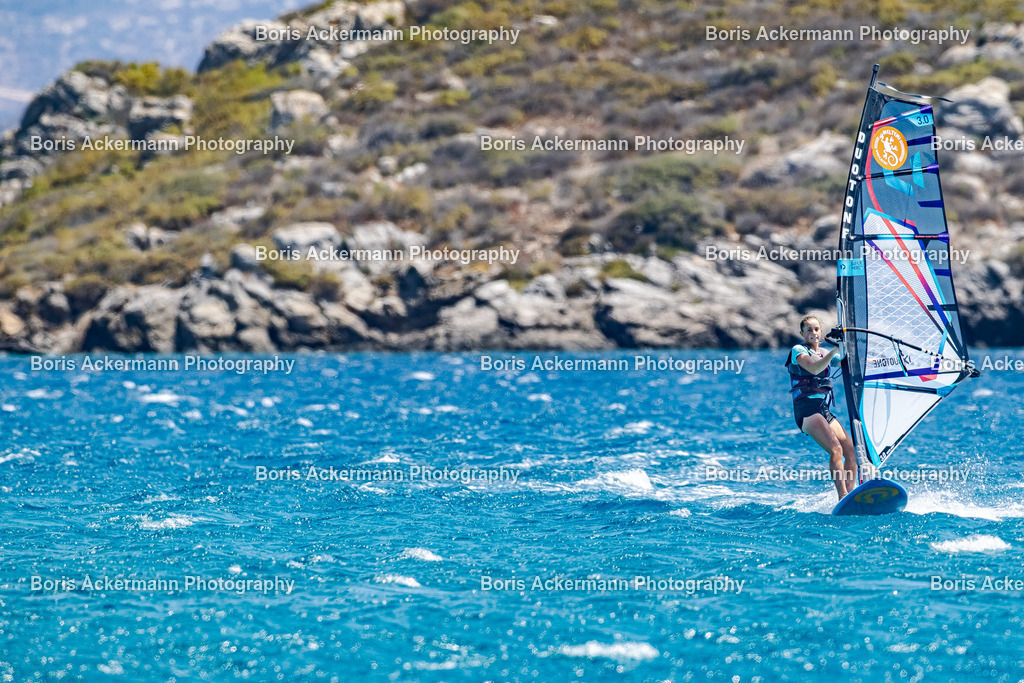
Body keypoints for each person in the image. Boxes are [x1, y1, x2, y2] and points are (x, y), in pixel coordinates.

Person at [785, 315, 858, 499]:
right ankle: (842, 495)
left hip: (822, 409)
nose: (813, 333)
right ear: (802, 333)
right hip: (806, 410)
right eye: (808, 329)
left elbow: (849, 364)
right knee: (835, 449)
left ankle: (851, 494)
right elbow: (814, 369)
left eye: (816, 329)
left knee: (850, 451)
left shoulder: (824, 353)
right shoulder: (798, 350)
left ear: (821, 332)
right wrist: (835, 350)